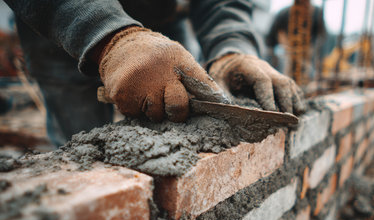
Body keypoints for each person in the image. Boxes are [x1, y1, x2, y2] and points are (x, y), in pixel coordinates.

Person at [5, 0, 306, 146]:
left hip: (165, 24)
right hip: (62, 21)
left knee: (172, 120)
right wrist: (110, 37)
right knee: (81, 147)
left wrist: (232, 47)